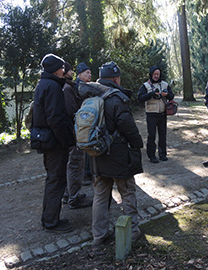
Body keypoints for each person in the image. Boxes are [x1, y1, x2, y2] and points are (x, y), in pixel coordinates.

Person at [78, 61, 143, 255]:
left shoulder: (90, 95)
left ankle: (99, 235)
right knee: (127, 192)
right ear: (116, 78)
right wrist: (138, 143)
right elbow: (127, 125)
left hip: (97, 156)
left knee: (99, 195)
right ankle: (132, 231)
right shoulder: (116, 98)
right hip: (119, 155)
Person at [32, 53, 75, 233]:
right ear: (56, 70)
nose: (64, 70)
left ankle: (50, 218)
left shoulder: (44, 84)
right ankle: (50, 222)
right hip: (55, 143)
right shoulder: (52, 87)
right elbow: (55, 118)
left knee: (53, 179)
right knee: (56, 180)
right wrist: (66, 141)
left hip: (48, 140)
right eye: (62, 67)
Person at [62, 62, 92, 209]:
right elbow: (72, 111)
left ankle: (68, 194)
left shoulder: (67, 87)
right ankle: (74, 198)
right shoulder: (67, 89)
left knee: (71, 165)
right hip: (73, 133)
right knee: (75, 164)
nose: (71, 72)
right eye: (69, 70)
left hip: (71, 132)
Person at [138, 66, 174, 163]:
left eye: (158, 74)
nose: (156, 76)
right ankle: (152, 155)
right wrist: (151, 94)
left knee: (163, 135)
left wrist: (167, 95)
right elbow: (140, 98)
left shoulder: (165, 84)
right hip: (151, 114)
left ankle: (163, 154)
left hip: (162, 113)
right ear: (151, 74)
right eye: (154, 74)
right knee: (151, 136)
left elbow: (172, 96)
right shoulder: (146, 86)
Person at [75, 62, 93, 186]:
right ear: (80, 74)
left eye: (90, 73)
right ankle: (86, 174)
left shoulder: (86, 86)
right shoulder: (77, 87)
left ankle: (88, 172)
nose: (90, 75)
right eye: (87, 73)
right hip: (81, 122)